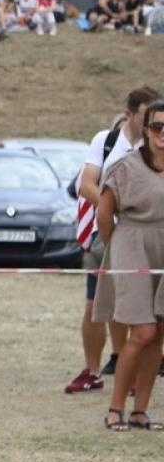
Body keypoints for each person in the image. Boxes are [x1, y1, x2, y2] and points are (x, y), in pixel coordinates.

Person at [93, 98, 164, 431]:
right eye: (157, 126)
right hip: (132, 244)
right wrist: (118, 248)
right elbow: (104, 214)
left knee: (159, 334)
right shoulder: (125, 166)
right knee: (143, 331)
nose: (162, 133)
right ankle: (115, 407)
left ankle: (141, 410)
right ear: (146, 130)